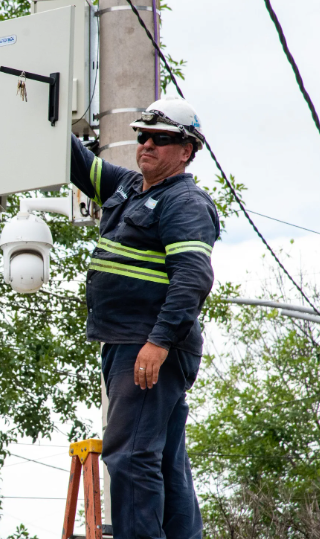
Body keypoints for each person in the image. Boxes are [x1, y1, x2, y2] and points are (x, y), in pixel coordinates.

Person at [69, 97, 219, 539]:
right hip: (128, 341)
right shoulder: (128, 188)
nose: (148, 144)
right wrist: (46, 109)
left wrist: (158, 342)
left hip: (148, 343)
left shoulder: (184, 202)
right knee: (166, 459)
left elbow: (192, 278)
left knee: (131, 455)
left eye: (162, 138)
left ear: (187, 150)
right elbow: (77, 162)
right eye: (143, 135)